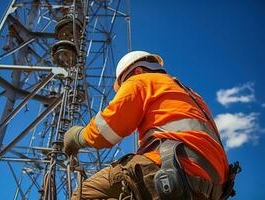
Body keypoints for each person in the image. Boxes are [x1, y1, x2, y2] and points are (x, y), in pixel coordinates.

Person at [63, 51, 238, 200]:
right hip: (212, 189)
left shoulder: (141, 80)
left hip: (175, 168)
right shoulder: (190, 94)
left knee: (84, 193)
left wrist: (77, 137)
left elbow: (107, 130)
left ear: (137, 70)